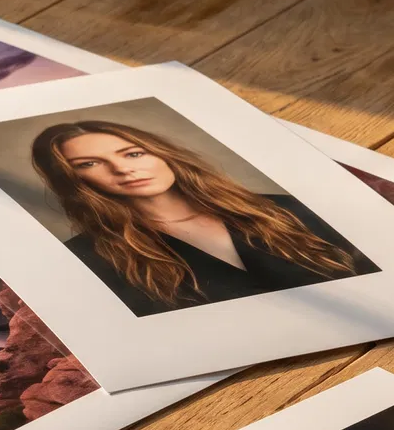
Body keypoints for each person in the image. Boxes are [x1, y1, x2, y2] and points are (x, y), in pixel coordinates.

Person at [30, 120, 376, 316]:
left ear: (162, 156)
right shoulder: (89, 258)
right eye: (89, 164)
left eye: (133, 153)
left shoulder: (282, 209)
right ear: (72, 180)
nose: (122, 168)